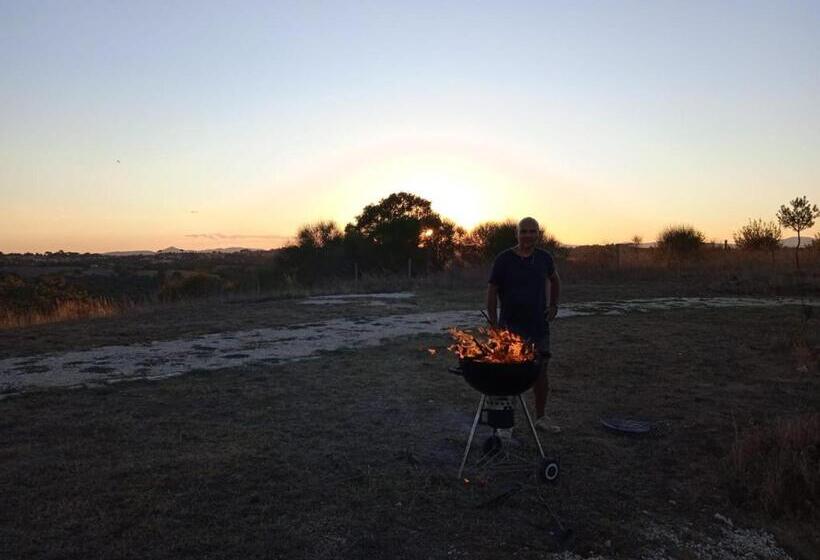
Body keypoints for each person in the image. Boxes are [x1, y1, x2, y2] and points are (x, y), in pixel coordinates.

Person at [487, 217, 562, 433]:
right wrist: (494, 322)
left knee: (540, 372)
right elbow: (492, 291)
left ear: (538, 234)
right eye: (524, 231)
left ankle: (541, 417)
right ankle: (505, 425)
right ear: (517, 234)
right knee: (507, 376)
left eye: (533, 231)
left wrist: (554, 305)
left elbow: (555, 280)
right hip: (510, 329)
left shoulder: (544, 258)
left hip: (538, 327)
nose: (528, 235)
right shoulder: (504, 259)